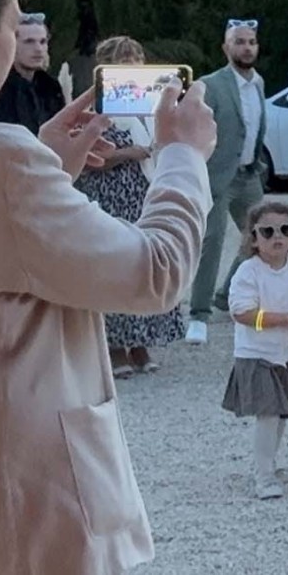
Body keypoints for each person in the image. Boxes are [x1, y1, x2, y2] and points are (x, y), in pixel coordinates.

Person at [0, 0, 216, 574]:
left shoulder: (0, 159)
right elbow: (155, 272)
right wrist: (183, 154)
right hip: (23, 506)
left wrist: (44, 165)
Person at [76, 35, 187, 377]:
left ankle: (141, 341)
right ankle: (115, 346)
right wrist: (128, 153)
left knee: (146, 264)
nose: (133, 66)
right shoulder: (99, 106)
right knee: (117, 265)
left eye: (136, 59)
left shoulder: (148, 104)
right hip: (112, 194)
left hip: (144, 191)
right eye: (124, 61)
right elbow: (92, 156)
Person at [222, 201, 288, 499]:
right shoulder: (247, 272)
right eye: (267, 231)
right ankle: (263, 475)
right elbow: (241, 313)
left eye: (285, 229)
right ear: (253, 239)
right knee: (268, 414)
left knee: (281, 414)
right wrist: (284, 320)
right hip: (256, 353)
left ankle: (273, 461)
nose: (277, 237)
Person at [186, 18, 267, 345]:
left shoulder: (258, 83)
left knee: (262, 236)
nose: (246, 47)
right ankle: (198, 314)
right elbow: (195, 129)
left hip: (249, 175)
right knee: (213, 242)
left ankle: (226, 294)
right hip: (217, 177)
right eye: (239, 41)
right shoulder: (210, 84)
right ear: (226, 47)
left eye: (250, 42)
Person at [0, 10, 65, 134]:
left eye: (42, 42)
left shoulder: (51, 88)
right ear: (12, 44)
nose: (38, 49)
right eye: (29, 42)